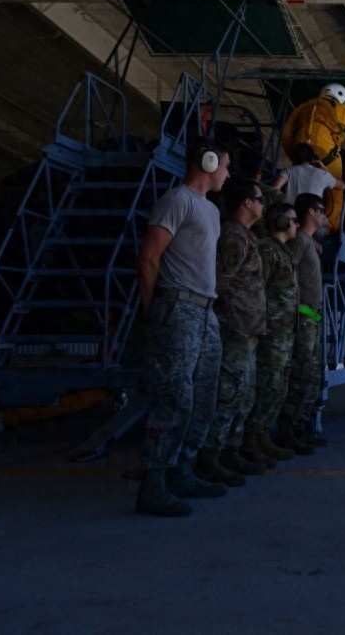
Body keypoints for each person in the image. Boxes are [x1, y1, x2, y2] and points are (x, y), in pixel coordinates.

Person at [134, 140, 230, 517]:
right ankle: (153, 482)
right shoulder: (178, 201)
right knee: (175, 397)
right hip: (178, 307)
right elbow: (148, 259)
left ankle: (182, 470)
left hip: (205, 312)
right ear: (208, 162)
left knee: (205, 396)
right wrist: (153, 309)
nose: (227, 173)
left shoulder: (210, 210)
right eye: (225, 165)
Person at [197, 179, 270, 484]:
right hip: (234, 330)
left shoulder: (247, 236)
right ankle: (210, 457)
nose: (264, 204)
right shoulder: (233, 237)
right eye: (260, 198)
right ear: (246, 203)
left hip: (247, 332)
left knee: (243, 396)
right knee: (228, 396)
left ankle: (231, 451)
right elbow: (219, 283)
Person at [280, 83, 345, 232]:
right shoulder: (339, 109)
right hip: (326, 156)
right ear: (340, 97)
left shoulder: (303, 107)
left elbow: (285, 135)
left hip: (300, 156)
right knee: (335, 194)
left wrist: (297, 157)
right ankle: (329, 229)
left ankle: (293, 222)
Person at [242, 203, 301, 463]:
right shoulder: (267, 250)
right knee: (267, 384)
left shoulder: (282, 251)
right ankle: (251, 440)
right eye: (293, 219)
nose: (296, 224)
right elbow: (258, 290)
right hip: (271, 334)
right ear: (280, 222)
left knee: (277, 385)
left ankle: (263, 435)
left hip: (284, 332)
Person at [275, 193, 328, 454]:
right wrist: (299, 311)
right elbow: (287, 273)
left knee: (311, 376)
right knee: (301, 375)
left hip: (313, 315)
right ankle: (288, 430)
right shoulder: (301, 243)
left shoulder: (308, 242)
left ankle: (298, 428)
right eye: (320, 210)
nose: (324, 215)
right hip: (305, 314)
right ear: (309, 212)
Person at [272, 142, 345, 208]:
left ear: (294, 158)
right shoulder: (322, 174)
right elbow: (342, 186)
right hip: (312, 217)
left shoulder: (288, 171)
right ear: (312, 159)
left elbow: (275, 188)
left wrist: (285, 202)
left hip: (292, 215)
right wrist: (324, 168)